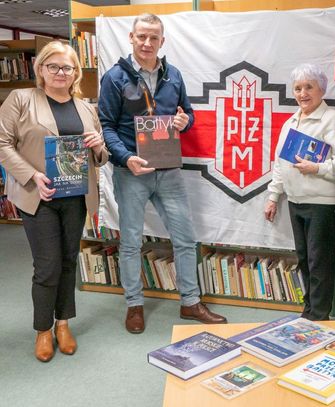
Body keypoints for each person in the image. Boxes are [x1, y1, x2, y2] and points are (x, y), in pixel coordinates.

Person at [99, 13, 226, 334]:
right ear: (131, 37)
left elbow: (189, 114)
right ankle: (134, 305)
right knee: (130, 242)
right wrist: (126, 158)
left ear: (162, 41)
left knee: (185, 239)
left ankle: (190, 302)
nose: (147, 43)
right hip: (131, 172)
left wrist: (186, 123)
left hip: (169, 170)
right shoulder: (114, 77)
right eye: (141, 36)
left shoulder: (175, 76)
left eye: (153, 37)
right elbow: (107, 127)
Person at [0, 41, 108, 362]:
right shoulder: (21, 99)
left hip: (75, 196)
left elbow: (99, 157)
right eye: (54, 66)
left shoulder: (87, 107)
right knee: (47, 265)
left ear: (76, 72)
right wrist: (32, 175)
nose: (61, 73)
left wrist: (99, 144)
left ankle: (63, 324)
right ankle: (43, 330)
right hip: (38, 196)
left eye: (68, 68)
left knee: (68, 262)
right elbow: (2, 143)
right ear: (41, 69)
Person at [264, 64, 335, 320]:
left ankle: (319, 316)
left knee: (319, 262)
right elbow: (280, 165)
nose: (303, 93)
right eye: (298, 88)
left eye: (309, 87)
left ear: (321, 89)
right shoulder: (291, 122)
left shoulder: (332, 119)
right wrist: (273, 196)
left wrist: (317, 168)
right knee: (304, 260)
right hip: (295, 201)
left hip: (322, 204)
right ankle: (309, 310)